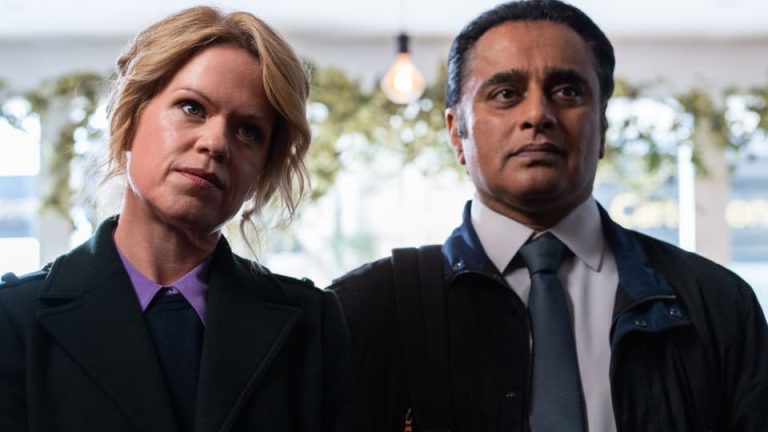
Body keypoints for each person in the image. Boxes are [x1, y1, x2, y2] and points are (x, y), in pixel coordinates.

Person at [330, 1, 768, 431]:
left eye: (567, 92)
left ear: (602, 128)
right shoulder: (365, 311)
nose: (538, 114)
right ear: (456, 132)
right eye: (505, 94)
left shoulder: (717, 304)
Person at [0, 6, 357, 432]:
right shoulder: (14, 318)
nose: (216, 143)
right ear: (130, 119)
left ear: (262, 169)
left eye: (248, 131)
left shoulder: (311, 324)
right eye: (192, 107)